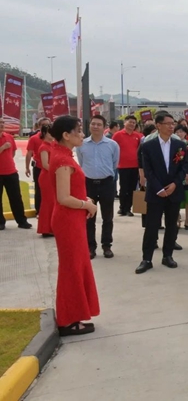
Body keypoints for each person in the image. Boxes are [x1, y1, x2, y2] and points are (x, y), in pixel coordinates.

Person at [48, 116, 100, 336]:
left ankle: (74, 315)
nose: (82, 134)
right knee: (71, 269)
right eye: (78, 131)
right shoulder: (63, 161)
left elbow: (70, 192)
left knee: (76, 267)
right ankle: (68, 320)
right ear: (66, 135)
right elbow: (63, 198)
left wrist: (84, 200)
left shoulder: (64, 156)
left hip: (73, 219)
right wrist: (86, 205)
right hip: (67, 220)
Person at [135, 113, 188, 274]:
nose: (172, 126)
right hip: (155, 192)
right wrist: (158, 188)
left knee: (172, 225)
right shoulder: (148, 146)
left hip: (174, 190)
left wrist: (175, 184)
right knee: (151, 226)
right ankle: (147, 259)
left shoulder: (180, 145)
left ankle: (168, 256)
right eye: (168, 123)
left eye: (173, 123)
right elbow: (148, 170)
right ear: (158, 125)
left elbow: (183, 168)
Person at [76, 115, 120, 259]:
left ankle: (107, 245)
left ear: (104, 127)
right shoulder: (82, 144)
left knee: (108, 217)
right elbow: (81, 163)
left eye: (99, 124)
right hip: (88, 183)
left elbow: (114, 164)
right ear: (89, 126)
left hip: (107, 183)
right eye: (93, 124)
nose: (95, 126)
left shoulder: (112, 145)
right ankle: (90, 247)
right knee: (89, 217)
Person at [0, 118, 32, 230]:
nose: (2, 124)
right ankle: (1, 222)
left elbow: (13, 153)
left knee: (16, 198)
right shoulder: (6, 142)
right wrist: (3, 148)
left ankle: (22, 221)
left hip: (11, 172)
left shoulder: (9, 137)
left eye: (3, 123)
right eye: (0, 123)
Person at [112, 115, 143, 216]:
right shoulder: (117, 135)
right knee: (123, 188)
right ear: (125, 123)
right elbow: (112, 149)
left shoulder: (138, 136)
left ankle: (128, 208)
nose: (132, 124)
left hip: (135, 166)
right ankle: (122, 208)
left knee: (132, 188)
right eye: (130, 122)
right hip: (122, 166)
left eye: (134, 123)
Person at [25, 117, 51, 214]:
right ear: (39, 126)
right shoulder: (34, 138)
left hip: (52, 169)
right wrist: (27, 168)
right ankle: (39, 211)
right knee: (39, 190)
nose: (45, 127)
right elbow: (29, 154)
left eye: (47, 125)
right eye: (43, 125)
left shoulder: (54, 138)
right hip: (39, 168)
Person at [36, 126, 55, 237]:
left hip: (51, 175)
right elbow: (45, 164)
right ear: (44, 133)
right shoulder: (44, 147)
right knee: (47, 202)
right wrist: (56, 171)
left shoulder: (52, 145)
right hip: (47, 177)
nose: (51, 134)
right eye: (49, 132)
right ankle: (45, 228)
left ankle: (50, 227)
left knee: (52, 202)